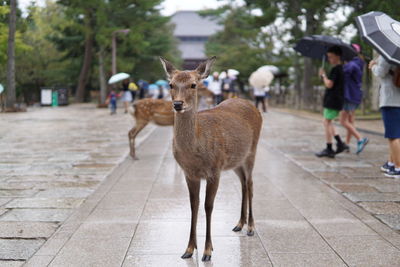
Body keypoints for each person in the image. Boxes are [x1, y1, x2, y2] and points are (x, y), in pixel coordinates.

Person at [370, 55, 400, 178]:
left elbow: (380, 72)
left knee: (393, 136)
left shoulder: (387, 54)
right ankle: (392, 163)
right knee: (394, 135)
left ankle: (398, 167)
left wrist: (373, 66)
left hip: (390, 99)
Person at [316, 46, 347, 158]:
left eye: (331, 57)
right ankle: (337, 144)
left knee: (327, 122)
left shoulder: (336, 69)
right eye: (328, 57)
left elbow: (329, 84)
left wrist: (323, 75)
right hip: (335, 99)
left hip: (333, 100)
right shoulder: (340, 69)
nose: (329, 59)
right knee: (327, 122)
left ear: (337, 56)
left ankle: (332, 146)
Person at [340, 44, 369, 154]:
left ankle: (360, 139)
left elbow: (341, 76)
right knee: (350, 121)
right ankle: (347, 144)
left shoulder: (351, 65)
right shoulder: (358, 63)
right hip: (354, 95)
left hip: (348, 95)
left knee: (343, 121)